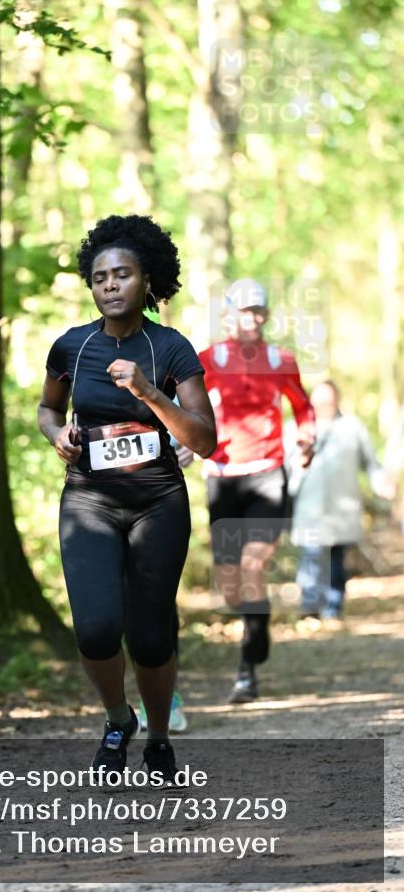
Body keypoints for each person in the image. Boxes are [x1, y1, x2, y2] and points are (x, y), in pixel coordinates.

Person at [37, 215, 216, 781]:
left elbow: (204, 440)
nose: (110, 285)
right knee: (93, 628)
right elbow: (47, 410)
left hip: (158, 500)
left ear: (147, 280)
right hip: (88, 500)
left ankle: (159, 737)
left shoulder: (170, 348)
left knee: (149, 632)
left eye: (123, 274)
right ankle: (118, 718)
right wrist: (57, 434)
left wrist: (147, 392)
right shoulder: (71, 345)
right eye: (99, 277)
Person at [178, 278, 315, 704]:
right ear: (230, 316)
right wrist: (183, 443)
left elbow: (303, 408)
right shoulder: (208, 359)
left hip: (268, 476)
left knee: (254, 565)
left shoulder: (281, 360)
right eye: (244, 311)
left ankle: (247, 666)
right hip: (222, 477)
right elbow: (185, 406)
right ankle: (257, 627)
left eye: (258, 311)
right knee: (231, 584)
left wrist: (307, 438)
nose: (251, 318)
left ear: (267, 316)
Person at [287, 380, 396, 619]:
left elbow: (370, 463)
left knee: (337, 559)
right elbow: (284, 467)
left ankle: (333, 609)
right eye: (320, 399)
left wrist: (382, 485)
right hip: (309, 506)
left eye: (329, 399)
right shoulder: (296, 428)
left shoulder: (353, 427)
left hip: (342, 506)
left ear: (336, 400)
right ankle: (310, 607)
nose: (325, 404)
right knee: (312, 556)